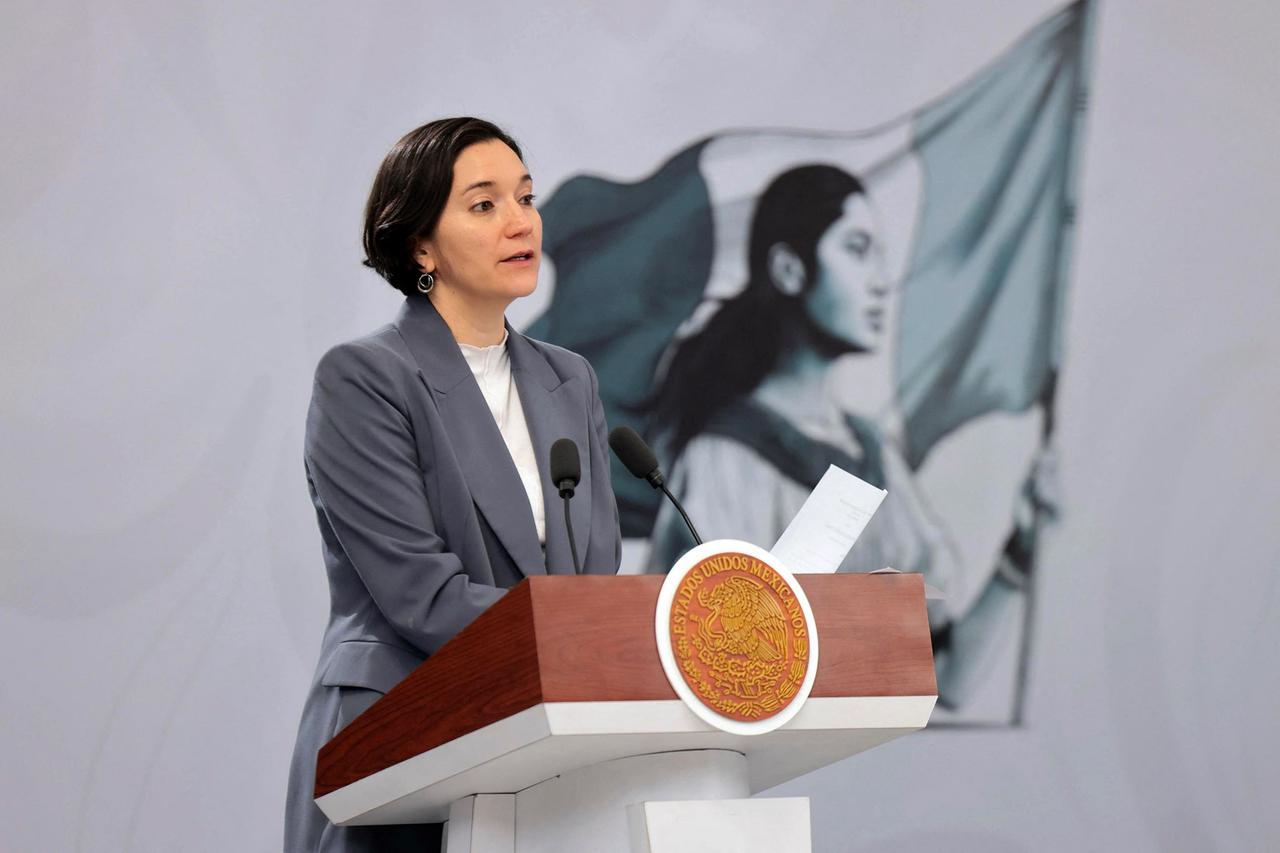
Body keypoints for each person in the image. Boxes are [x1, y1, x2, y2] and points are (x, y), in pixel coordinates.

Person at [284, 117, 622, 852]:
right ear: (420, 245)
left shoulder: (569, 379)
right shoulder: (365, 379)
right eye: (484, 204)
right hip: (401, 745)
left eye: (525, 198)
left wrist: (613, 629)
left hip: (546, 755)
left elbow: (594, 573)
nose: (520, 222)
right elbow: (423, 597)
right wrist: (590, 634)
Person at [644, 163, 957, 612]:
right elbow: (720, 634)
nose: (880, 282)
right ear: (789, 269)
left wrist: (1013, 560)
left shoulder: (873, 454)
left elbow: (935, 633)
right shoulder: (725, 457)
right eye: (857, 249)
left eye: (879, 255)